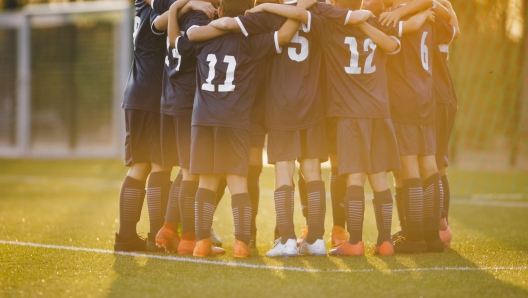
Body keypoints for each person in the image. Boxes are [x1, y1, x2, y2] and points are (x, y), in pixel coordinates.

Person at [208, 2, 373, 257]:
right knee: (312, 171)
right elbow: (351, 17)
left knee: (284, 173)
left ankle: (286, 240)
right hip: (313, 104)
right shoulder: (317, 13)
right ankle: (316, 240)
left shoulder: (267, 15)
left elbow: (230, 23)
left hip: (281, 104)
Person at [182, 0, 314, 257]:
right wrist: (298, 11)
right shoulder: (251, 43)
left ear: (219, 11)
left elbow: (179, 40)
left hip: (204, 120)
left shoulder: (202, 39)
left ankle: (201, 243)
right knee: (238, 182)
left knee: (206, 183)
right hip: (235, 120)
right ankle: (242, 244)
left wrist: (179, 9)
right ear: (246, 15)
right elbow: (285, 35)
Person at [384, 0, 455, 253]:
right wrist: (432, 9)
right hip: (427, 96)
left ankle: (414, 238)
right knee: (429, 165)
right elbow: (452, 28)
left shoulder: (392, 17)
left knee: (409, 166)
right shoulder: (428, 18)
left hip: (404, 97)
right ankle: (432, 238)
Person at [113, 0, 172, 252]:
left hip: (137, 93)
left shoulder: (141, 5)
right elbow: (168, 17)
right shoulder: (157, 9)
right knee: (159, 165)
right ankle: (156, 237)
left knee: (141, 165)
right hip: (152, 95)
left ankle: (126, 237)